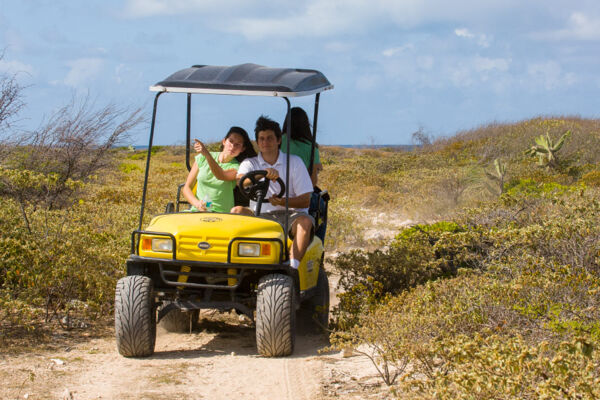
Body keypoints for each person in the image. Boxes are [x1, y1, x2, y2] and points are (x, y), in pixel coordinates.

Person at [232, 116, 314, 269]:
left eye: (270, 138)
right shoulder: (250, 163)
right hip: (260, 216)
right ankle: (234, 266)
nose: (265, 142)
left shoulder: (294, 162)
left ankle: (292, 267)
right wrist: (263, 173)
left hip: (291, 216)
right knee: (236, 211)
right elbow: (241, 181)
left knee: (305, 222)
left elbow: (305, 201)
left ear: (278, 140)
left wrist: (282, 201)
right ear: (257, 142)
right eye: (261, 139)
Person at [182, 126, 256, 213]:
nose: (232, 146)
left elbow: (221, 175)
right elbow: (187, 187)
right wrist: (197, 204)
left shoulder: (239, 167)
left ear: (242, 149)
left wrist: (207, 155)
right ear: (224, 141)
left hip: (222, 214)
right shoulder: (202, 158)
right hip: (198, 211)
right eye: (231, 141)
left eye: (238, 144)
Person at [281, 107, 323, 186]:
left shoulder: (277, 141)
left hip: (278, 191)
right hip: (301, 193)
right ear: (305, 124)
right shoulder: (311, 147)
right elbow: (313, 180)